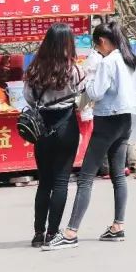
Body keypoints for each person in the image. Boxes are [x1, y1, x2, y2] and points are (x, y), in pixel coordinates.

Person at [45, 22, 136, 251]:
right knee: (118, 175)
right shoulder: (133, 61)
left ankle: (70, 233)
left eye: (97, 45)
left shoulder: (108, 62)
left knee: (86, 177)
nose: (97, 50)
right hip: (126, 120)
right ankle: (118, 225)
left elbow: (96, 92)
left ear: (103, 42)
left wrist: (83, 93)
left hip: (107, 121)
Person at [24, 23, 86, 248]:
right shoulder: (75, 70)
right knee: (61, 181)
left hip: (42, 129)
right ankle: (52, 233)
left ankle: (38, 233)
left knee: (44, 182)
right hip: (66, 127)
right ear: (68, 43)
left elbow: (29, 99)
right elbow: (83, 100)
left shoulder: (34, 70)